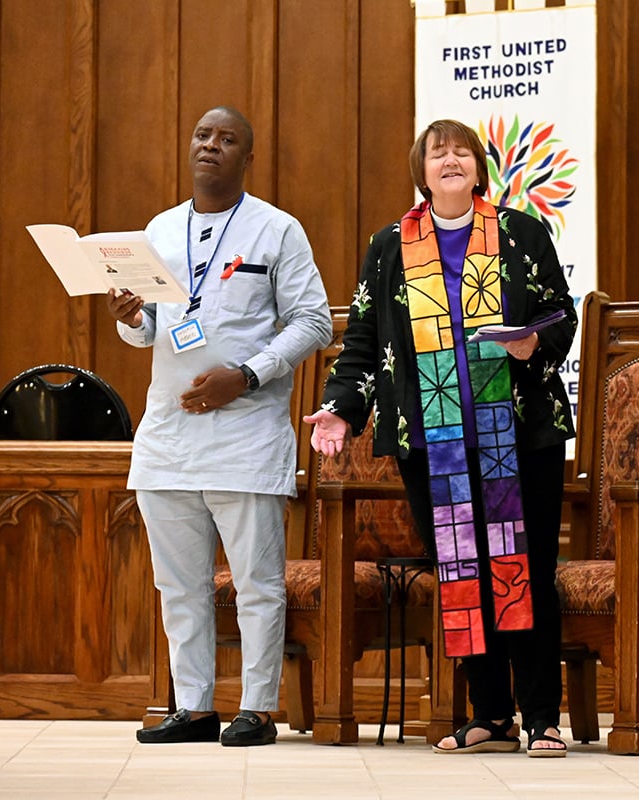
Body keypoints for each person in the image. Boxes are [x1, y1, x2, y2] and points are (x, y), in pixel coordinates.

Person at [304, 119, 577, 757]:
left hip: (518, 430)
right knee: (461, 571)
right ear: (420, 171)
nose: (450, 160)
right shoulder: (390, 246)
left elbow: (559, 312)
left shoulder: (520, 232)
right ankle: (490, 715)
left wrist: (534, 341)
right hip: (433, 435)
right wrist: (342, 409)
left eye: (461, 151)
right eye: (437, 152)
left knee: (525, 569)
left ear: (479, 169)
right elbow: (364, 342)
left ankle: (541, 716)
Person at [107, 106, 332, 746]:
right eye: (203, 135)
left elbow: (314, 321)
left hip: (246, 430)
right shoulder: (159, 229)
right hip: (169, 436)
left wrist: (248, 375)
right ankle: (196, 705)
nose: (211, 145)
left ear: (246, 157)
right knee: (178, 583)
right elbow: (148, 328)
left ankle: (258, 708)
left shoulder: (277, 230)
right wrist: (128, 316)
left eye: (226, 138)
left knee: (257, 582)